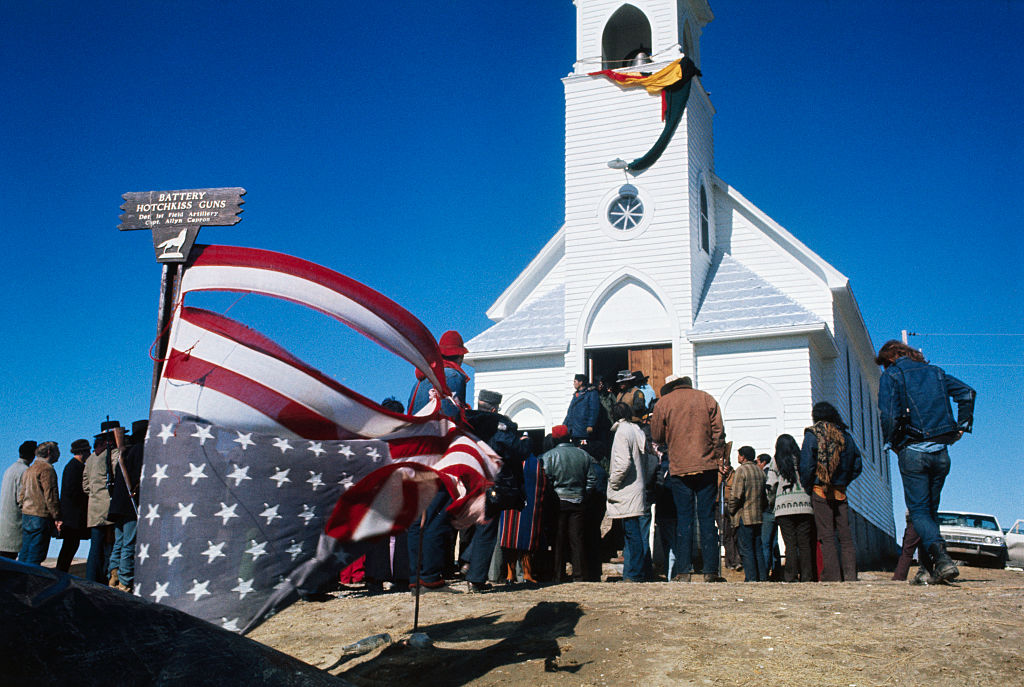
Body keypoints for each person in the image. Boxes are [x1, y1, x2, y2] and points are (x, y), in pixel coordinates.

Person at [876, 339, 975, 585]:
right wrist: (962, 426)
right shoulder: (936, 373)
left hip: (912, 450)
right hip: (941, 452)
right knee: (929, 513)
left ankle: (941, 560)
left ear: (889, 359)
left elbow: (889, 414)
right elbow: (967, 393)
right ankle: (928, 571)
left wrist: (891, 441)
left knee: (919, 512)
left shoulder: (893, 375)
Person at [406, 331, 472, 593]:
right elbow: (450, 412)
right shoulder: (453, 375)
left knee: (417, 519)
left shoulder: (419, 381)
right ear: (456, 354)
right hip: (439, 452)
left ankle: (415, 577)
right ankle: (431, 577)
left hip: (416, 452)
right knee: (436, 515)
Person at [649, 375, 725, 583]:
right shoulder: (706, 398)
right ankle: (711, 571)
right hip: (706, 466)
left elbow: (656, 435)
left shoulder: (664, 403)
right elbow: (719, 432)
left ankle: (684, 570)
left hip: (679, 466)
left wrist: (672, 436)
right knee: (707, 518)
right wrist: (716, 454)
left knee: (684, 518)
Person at [799, 401, 862, 582]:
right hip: (841, 490)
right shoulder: (846, 436)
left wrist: (809, 485)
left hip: (820, 490)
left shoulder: (812, 434)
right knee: (846, 536)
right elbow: (857, 465)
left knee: (826, 536)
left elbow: (806, 465)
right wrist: (843, 481)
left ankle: (832, 577)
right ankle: (850, 575)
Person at [607, 402, 655, 582]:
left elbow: (623, 463)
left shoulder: (621, 432)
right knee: (636, 533)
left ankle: (634, 574)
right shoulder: (637, 430)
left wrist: (613, 482)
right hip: (638, 486)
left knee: (632, 533)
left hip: (626, 488)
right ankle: (637, 572)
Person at [541, 425, 593, 582]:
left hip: (558, 503)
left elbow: (546, 481)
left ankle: (558, 574)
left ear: (555, 438)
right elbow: (591, 480)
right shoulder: (583, 455)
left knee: (558, 539)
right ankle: (579, 575)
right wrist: (584, 496)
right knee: (577, 539)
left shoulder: (549, 456)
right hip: (578, 501)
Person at [768, 434, 815, 582]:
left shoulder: (776, 461)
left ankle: (790, 576)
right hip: (805, 505)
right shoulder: (802, 458)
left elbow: (771, 485)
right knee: (804, 544)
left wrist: (771, 502)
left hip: (784, 507)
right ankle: (807, 576)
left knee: (790, 544)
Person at [107, 421, 145, 592]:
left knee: (119, 542)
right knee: (129, 543)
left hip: (118, 504)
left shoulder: (124, 453)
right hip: (130, 504)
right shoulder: (141, 451)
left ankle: (114, 574)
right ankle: (125, 581)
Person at [84, 423, 119, 584]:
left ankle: (91, 579)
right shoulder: (113, 454)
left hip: (93, 507)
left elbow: (85, 485)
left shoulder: (91, 458)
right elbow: (118, 475)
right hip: (109, 506)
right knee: (110, 546)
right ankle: (107, 579)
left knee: (95, 547)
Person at [18, 441, 62, 565]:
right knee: (35, 556)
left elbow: (21, 494)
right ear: (49, 452)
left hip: (27, 514)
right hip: (40, 516)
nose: (59, 454)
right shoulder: (47, 469)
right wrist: (57, 516)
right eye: (57, 451)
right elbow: (51, 495)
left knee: (25, 554)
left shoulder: (30, 469)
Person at [408, 329, 471, 416]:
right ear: (461, 357)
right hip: (435, 428)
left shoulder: (420, 380)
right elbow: (451, 415)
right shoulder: (454, 376)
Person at [728, 446, 767, 582]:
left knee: (746, 549)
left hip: (744, 516)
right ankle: (762, 577)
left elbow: (736, 495)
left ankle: (751, 578)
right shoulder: (760, 471)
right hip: (758, 515)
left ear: (743, 457)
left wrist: (730, 509)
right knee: (758, 548)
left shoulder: (741, 471)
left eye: (739, 455)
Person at [56, 439, 92, 572]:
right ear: (83, 452)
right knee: (70, 546)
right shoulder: (74, 467)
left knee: (70, 545)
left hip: (72, 515)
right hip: (73, 516)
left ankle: (62, 571)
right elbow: (72, 492)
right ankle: (61, 572)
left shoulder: (72, 466)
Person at [0, 441, 36, 559]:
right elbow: (22, 499)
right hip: (15, 522)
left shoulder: (10, 469)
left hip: (5, 521)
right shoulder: (24, 471)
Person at [757, 453, 782, 579]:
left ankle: (765, 572)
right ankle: (777, 569)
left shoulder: (766, 474)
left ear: (763, 462)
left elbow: (768, 492)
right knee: (774, 542)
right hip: (778, 510)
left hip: (768, 511)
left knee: (766, 543)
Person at [564, 374, 600, 443]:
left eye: (575, 381)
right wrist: (565, 425)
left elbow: (594, 410)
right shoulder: (576, 395)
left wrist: (590, 425)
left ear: (580, 382)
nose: (573, 384)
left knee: (583, 449)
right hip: (573, 431)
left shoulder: (591, 393)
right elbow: (570, 412)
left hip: (583, 430)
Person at [892, 512, 921, 582]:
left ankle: (899, 576)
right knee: (926, 549)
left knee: (907, 551)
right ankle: (927, 573)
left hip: (916, 518)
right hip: (927, 519)